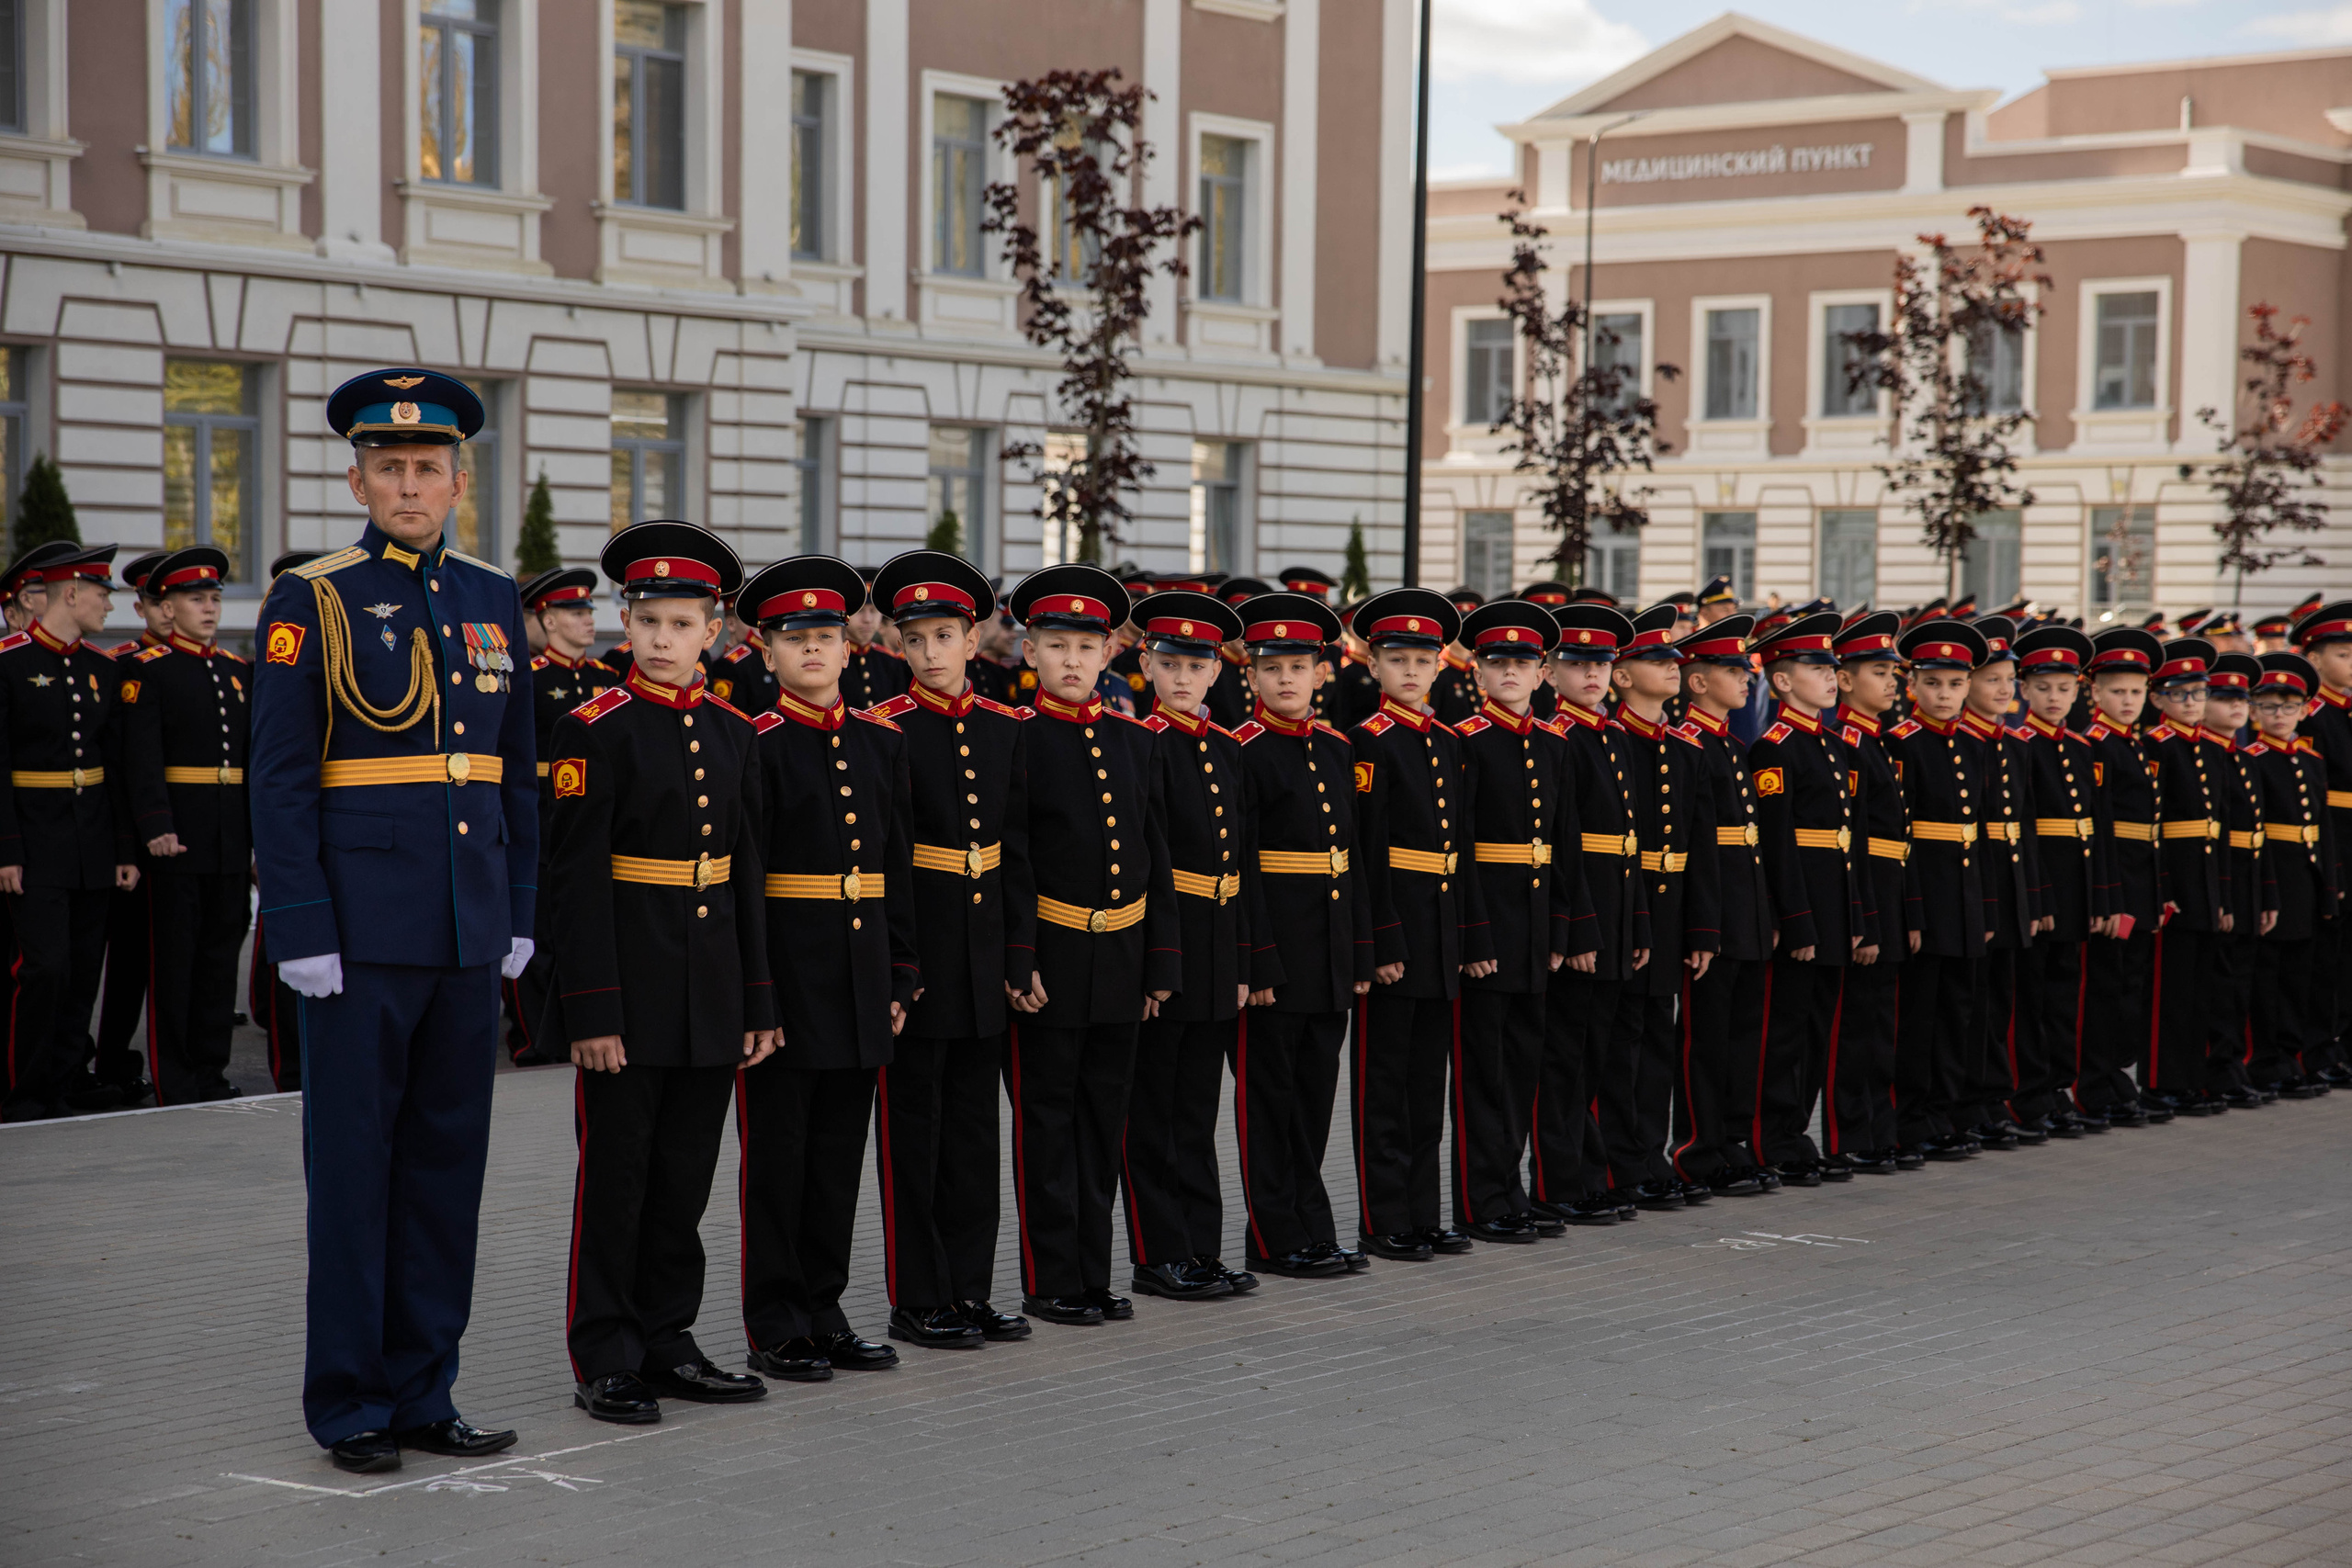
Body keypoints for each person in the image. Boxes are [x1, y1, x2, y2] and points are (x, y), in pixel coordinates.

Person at [249, 368, 532, 1471]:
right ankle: (352, 1403)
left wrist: (516, 910)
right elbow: (278, 779)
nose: (408, 486)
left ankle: (426, 1390)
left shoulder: (491, 594)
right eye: (388, 468)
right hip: (360, 936)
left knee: (444, 1172)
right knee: (356, 1173)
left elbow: (512, 773)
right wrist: (301, 923)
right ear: (356, 476)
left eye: (427, 468)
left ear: (460, 478)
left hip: (465, 932)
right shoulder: (309, 599)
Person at [547, 521, 776, 1426]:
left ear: (712, 634)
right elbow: (572, 881)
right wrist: (589, 1010)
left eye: (682, 625)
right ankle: (605, 1351)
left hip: (712, 990)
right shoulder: (590, 729)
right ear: (625, 625)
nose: (664, 641)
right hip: (629, 992)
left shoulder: (731, 730)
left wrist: (758, 997)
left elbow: (748, 869)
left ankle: (669, 1338)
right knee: (618, 1181)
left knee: (684, 1180)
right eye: (648, 623)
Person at [737, 554, 921, 1377]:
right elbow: (746, 881)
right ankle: (777, 1320)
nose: (812, 651)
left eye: (825, 636)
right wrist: (759, 993)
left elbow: (897, 869)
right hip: (790, 978)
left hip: (860, 978)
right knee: (780, 1159)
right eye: (793, 638)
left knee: (839, 1157)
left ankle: (826, 1305)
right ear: (763, 650)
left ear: (851, 647)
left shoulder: (882, 742)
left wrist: (901, 973)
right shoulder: (756, 742)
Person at [862, 551, 1036, 1349]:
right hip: (924, 959)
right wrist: (900, 968)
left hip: (984, 960)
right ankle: (918, 1294)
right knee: (915, 1137)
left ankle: (970, 1287)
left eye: (945, 634)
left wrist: (1018, 955)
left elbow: (1019, 853)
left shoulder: (1006, 728)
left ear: (975, 637)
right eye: (915, 637)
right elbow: (888, 862)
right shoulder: (886, 730)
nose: (930, 652)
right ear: (898, 645)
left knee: (974, 1137)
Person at [1004, 565, 1179, 1325]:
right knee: (1047, 1124)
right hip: (1053, 961)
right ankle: (1050, 1278)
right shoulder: (1017, 739)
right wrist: (1019, 957)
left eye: (1086, 646)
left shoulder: (1135, 739)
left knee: (1103, 1124)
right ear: (1030, 653)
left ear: (1110, 652)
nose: (1072, 660)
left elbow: (1154, 855)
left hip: (1120, 961)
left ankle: (1093, 1271)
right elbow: (1012, 857)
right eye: (1056, 645)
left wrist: (1160, 959)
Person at [1118, 587, 1261, 1299]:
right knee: (1155, 1112)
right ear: (1147, 664)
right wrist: (1159, 963)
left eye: (1195, 664)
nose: (1181, 676)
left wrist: (1242, 960)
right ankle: (1157, 1251)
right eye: (1169, 661)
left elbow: (1243, 863)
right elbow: (1148, 862)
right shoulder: (1139, 745)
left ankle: (1202, 1245)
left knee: (1197, 1110)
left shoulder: (1227, 749)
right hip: (1166, 952)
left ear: (1217, 671)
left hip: (1217, 949)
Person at [1229, 592, 1372, 1277]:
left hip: (1329, 955)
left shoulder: (1337, 747)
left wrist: (1361, 953)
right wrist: (1257, 959)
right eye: (1272, 667)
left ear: (1322, 673)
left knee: (1314, 1098)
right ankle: (1275, 1233)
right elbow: (1243, 864)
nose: (1286, 679)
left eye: (1298, 666)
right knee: (1270, 1101)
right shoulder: (1244, 751)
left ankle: (1313, 1222)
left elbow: (1354, 860)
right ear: (1249, 677)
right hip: (1276, 959)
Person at [1349, 587, 1493, 1259]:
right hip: (1399, 935)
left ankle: (1425, 1211)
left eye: (1422, 658)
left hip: (1440, 936)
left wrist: (1470, 937)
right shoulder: (1369, 744)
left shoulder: (1447, 742)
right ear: (1372, 664)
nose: (1410, 670)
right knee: (1384, 1087)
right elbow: (1367, 854)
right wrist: (1380, 938)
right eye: (1396, 658)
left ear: (1442, 665)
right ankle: (1383, 1218)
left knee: (1425, 1086)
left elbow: (1460, 851)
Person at [1451, 599, 1581, 1237]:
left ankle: (1513, 1188)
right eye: (1498, 661)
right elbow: (1462, 845)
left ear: (1540, 673)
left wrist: (1561, 929)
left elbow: (1563, 845)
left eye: (1522, 662)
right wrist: (1473, 932)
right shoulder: (1466, 742)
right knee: (1485, 1073)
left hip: (1533, 932)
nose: (1510, 671)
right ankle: (1483, 1200)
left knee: (1523, 1065)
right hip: (1492, 931)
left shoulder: (1555, 745)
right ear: (1477, 670)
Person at [0, 543, 138, 1123]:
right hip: (34, 843)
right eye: (102, 592)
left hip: (92, 843)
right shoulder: (8, 662)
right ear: (71, 594)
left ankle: (61, 1085)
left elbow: (118, 768)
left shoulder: (103, 668)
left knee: (83, 969)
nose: (111, 603)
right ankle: (21, 1090)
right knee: (42, 968)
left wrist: (124, 850)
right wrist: (6, 848)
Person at [1527, 602, 1648, 1227]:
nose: (1593, 674)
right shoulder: (1561, 737)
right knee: (1564, 1060)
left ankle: (1588, 1171)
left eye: (1602, 662)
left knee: (1595, 1057)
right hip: (1582, 918)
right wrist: (1574, 927)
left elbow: (1631, 844)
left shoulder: (1611, 734)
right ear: (1550, 672)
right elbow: (1564, 845)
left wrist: (1636, 925)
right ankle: (1556, 1179)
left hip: (1615, 912)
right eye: (1578, 664)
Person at [119, 546, 252, 1106]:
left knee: (221, 960)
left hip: (227, 836)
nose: (210, 608)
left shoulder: (235, 672)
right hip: (177, 837)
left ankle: (209, 1069)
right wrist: (155, 824)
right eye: (196, 598)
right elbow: (140, 758)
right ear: (167, 609)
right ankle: (175, 1076)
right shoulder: (147, 670)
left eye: (215, 598)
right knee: (176, 962)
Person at [1598, 604, 1721, 1210]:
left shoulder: (1685, 747)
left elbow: (1699, 844)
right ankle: (1620, 1160)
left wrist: (1700, 926)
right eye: (1654, 659)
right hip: (1626, 905)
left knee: (1656, 1043)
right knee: (1618, 1043)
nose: (1671, 667)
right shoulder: (1610, 741)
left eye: (1673, 658)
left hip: (1670, 912)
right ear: (1620, 675)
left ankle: (1650, 1154)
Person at [1746, 610, 1873, 1182]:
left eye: (1831, 667)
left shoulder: (1832, 745)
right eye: (1816, 667)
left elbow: (1851, 841)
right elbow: (1777, 844)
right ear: (1782, 681)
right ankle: (1776, 1138)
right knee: (1787, 1033)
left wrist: (1856, 915)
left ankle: (1798, 1133)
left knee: (1819, 1030)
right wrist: (1795, 919)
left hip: (1834, 906)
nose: (1829, 677)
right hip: (1803, 909)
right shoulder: (1775, 748)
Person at [1665, 611, 1775, 1195]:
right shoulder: (1689, 747)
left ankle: (1731, 1142)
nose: (1747, 679)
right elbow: (1697, 844)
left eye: (1748, 670)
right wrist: (1703, 927)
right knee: (1705, 1044)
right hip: (1714, 913)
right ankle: (1697, 1150)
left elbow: (1749, 845)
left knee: (1741, 1038)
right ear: (1699, 681)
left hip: (1746, 912)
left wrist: (1765, 916)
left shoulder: (1733, 745)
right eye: (1735, 670)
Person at [1887, 619, 1992, 1162]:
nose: (1945, 694)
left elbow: (1985, 834)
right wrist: (1912, 908)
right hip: (1927, 894)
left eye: (1954, 684)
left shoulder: (1975, 746)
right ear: (1914, 687)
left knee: (1959, 1013)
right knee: (1920, 1018)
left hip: (1966, 898)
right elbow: (1900, 835)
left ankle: (1948, 1114)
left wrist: (1987, 905)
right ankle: (1913, 1120)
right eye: (1933, 684)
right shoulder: (1900, 743)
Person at [507, 568, 620, 1066]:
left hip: (595, 822)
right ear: (548, 619)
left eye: (590, 612)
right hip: (540, 816)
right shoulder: (528, 678)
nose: (588, 621)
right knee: (537, 936)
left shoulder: (607, 681)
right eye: (576, 613)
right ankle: (535, 1037)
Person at [2009, 624, 2109, 1139]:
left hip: (2075, 889)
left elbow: (2094, 829)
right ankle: (2028, 1094)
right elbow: (2024, 831)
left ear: (2078, 691)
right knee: (2033, 996)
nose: (2054, 698)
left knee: (2066, 994)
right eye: (2043, 687)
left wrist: (2099, 895)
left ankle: (2057, 1088)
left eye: (2065, 688)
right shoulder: (2020, 745)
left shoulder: (2081, 747)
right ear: (2024, 689)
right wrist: (2037, 894)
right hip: (2040, 887)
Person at [1829, 612, 1918, 1168]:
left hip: (1890, 889)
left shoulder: (1878, 742)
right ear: (1845, 679)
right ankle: (1850, 1134)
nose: (1893, 682)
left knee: (1881, 1023)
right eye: (1880, 671)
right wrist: (1862, 914)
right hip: (1864, 892)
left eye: (1893, 671)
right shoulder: (1847, 743)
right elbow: (1854, 840)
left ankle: (1878, 1129)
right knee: (1855, 1026)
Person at [85, 549, 174, 1110]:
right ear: (141, 607)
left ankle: (127, 1062)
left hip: (183, 836)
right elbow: (121, 762)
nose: (169, 614)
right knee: (125, 962)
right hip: (132, 838)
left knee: (161, 959)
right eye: (158, 603)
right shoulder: (123, 666)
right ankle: (112, 1058)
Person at [1954, 617, 2046, 1150]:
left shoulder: (2013, 744)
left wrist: (2032, 896)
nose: (2005, 690)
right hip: (1977, 893)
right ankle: (1970, 1103)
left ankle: (1992, 1099)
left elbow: (2024, 829)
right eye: (1993, 680)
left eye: (2009, 680)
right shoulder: (1962, 742)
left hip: (2010, 891)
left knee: (2000, 1005)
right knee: (1973, 1007)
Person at [2077, 627, 2168, 1126]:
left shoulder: (2135, 744)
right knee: (2106, 988)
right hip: (2116, 885)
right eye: (2117, 691)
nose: (2128, 700)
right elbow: (2104, 829)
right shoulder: (2096, 746)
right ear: (2094, 693)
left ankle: (2118, 1081)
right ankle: (2096, 1086)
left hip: (2140, 881)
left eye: (2136, 692)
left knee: (2130, 986)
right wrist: (2111, 897)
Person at [247, 548, 326, 1096]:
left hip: (337, 822)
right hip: (288, 828)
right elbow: (272, 765)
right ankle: (290, 1067)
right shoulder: (273, 659)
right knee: (285, 954)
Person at [2143, 637, 2230, 1115]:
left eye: (2199, 693)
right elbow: (2154, 828)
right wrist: (2164, 888)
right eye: (2181, 694)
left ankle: (2192, 1078)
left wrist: (2224, 893)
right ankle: (2161, 1081)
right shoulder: (2157, 748)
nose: (2193, 703)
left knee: (2200, 988)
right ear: (2158, 700)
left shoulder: (2213, 750)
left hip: (2207, 878)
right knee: (2168, 992)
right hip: (2175, 879)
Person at [2246, 651, 2337, 1096]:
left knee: (2300, 974)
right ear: (2253, 710)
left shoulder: (2311, 760)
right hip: (2274, 874)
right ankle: (2267, 1060)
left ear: (2304, 710)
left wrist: (2329, 885)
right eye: (2267, 706)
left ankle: (2293, 1054)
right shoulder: (2252, 759)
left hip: (2306, 876)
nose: (2278, 715)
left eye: (2288, 706)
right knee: (2268, 976)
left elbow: (2322, 829)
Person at [2200, 652, 2273, 1109]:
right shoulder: (2205, 756)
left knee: (2241, 984)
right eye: (2224, 699)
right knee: (2218, 984)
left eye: (2242, 700)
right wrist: (2223, 897)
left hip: (2248, 883)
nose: (2236, 709)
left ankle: (2232, 1066)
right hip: (2221, 885)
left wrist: (2265, 892)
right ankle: (2215, 1069)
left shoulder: (2243, 757)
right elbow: (2215, 837)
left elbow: (2257, 834)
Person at [2294, 600, 2352, 1085]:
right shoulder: (2310, 715)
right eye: (2343, 655)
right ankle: (2317, 1047)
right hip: (2332, 835)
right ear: (2313, 659)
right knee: (2326, 949)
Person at [842, 566, 911, 709]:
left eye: (873, 611)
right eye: (861, 611)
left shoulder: (891, 663)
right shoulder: (832, 662)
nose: (868, 619)